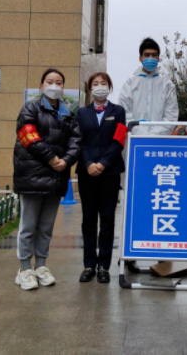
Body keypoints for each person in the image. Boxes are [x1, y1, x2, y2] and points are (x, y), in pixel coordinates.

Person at [13, 68, 81, 291]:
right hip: (31, 176)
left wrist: (67, 161)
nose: (54, 86)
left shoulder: (68, 113)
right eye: (50, 81)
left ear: (63, 87)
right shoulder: (30, 108)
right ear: (41, 86)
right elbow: (28, 135)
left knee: (46, 226)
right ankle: (24, 269)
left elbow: (76, 141)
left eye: (59, 82)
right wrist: (52, 158)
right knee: (28, 225)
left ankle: (41, 266)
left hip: (56, 177)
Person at [76, 72, 127, 284]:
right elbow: (78, 141)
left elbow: (119, 139)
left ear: (109, 87)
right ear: (90, 88)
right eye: (95, 84)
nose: (99, 87)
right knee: (89, 219)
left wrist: (104, 162)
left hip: (110, 172)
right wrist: (88, 163)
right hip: (86, 172)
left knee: (107, 219)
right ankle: (89, 264)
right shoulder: (81, 112)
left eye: (103, 83)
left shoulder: (118, 111)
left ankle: (104, 266)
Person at [118, 37, 179, 136]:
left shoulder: (167, 84)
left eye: (154, 55)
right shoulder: (130, 84)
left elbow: (171, 116)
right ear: (140, 58)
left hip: (160, 140)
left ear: (158, 58)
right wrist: (139, 133)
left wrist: (154, 135)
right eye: (146, 55)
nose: (150, 58)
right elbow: (124, 112)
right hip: (134, 139)